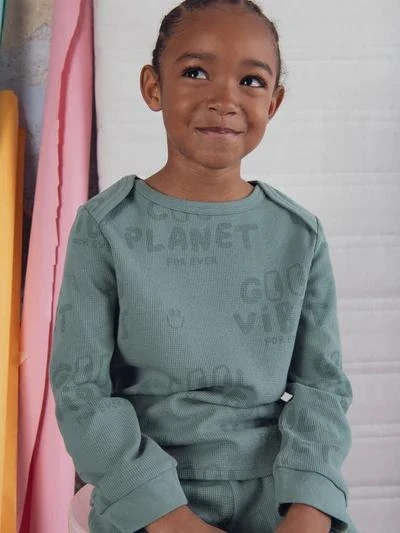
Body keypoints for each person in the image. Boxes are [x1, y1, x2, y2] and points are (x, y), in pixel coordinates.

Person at [49, 1, 358, 532]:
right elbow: (81, 391)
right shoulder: (106, 227)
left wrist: (308, 510)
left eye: (251, 81)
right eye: (196, 72)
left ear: (274, 103)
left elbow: (321, 388)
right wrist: (169, 518)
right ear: (153, 87)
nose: (225, 100)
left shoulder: (299, 234)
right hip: (150, 500)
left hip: (278, 495)